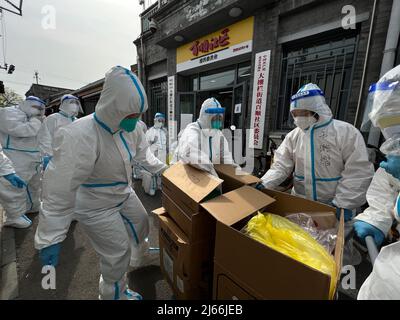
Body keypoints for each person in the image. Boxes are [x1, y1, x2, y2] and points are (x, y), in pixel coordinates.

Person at [34, 66, 167, 300]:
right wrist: (50, 237)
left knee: (141, 223)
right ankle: (113, 293)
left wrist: (169, 172)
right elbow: (58, 190)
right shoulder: (80, 135)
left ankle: (140, 257)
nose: (136, 120)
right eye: (130, 114)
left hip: (124, 192)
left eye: (138, 114)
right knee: (116, 253)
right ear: (113, 108)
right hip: (94, 206)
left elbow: (144, 157)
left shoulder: (132, 129)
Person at [354, 65, 400, 299]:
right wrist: (375, 218)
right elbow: (385, 191)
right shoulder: (395, 153)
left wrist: (344, 201)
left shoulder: (344, 132)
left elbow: (356, 169)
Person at [0, 96, 46, 228]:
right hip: (15, 156)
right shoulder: (8, 112)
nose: (38, 110)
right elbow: (23, 130)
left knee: (34, 185)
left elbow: (43, 137)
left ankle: (32, 206)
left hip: (35, 156)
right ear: (24, 103)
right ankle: (14, 216)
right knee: (14, 187)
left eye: (41, 108)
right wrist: (36, 121)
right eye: (35, 107)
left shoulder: (38, 119)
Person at [174, 97, 237, 178]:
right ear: (205, 117)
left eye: (219, 118)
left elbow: (224, 154)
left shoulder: (217, 133)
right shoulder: (193, 130)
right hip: (189, 176)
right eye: (214, 118)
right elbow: (189, 153)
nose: (217, 122)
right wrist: (210, 169)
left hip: (205, 175)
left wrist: (232, 166)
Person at [38, 94, 83, 170]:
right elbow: (44, 137)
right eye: (71, 102)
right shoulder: (53, 118)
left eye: (76, 103)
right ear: (64, 103)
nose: (75, 105)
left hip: (73, 158)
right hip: (55, 158)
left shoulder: (77, 120)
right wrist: (47, 155)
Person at [142, 113, 168, 195]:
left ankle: (160, 185)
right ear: (155, 120)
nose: (161, 122)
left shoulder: (164, 131)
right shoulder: (150, 131)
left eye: (162, 121)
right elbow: (145, 144)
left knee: (161, 171)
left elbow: (166, 143)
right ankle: (152, 187)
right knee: (153, 171)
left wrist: (167, 151)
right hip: (153, 154)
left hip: (162, 154)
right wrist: (152, 141)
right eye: (159, 120)